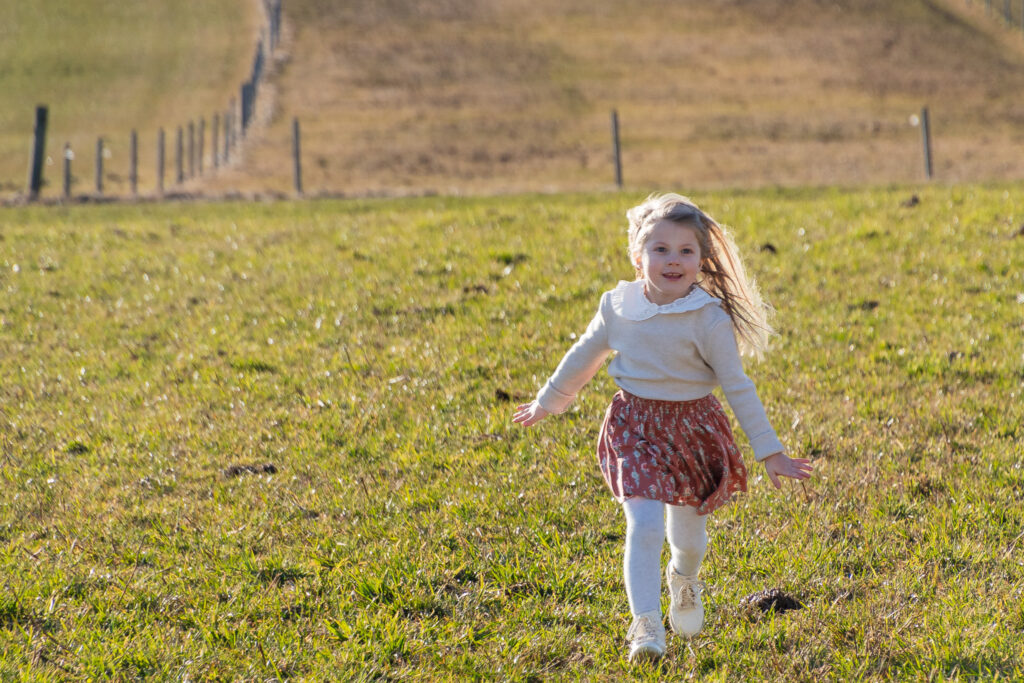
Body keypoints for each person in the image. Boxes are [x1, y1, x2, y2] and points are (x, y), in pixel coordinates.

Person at [512, 193, 813, 662]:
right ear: (639, 257)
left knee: (688, 541)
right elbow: (584, 355)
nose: (673, 260)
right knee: (644, 523)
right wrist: (549, 400)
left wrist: (769, 450)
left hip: (694, 430)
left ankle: (683, 578)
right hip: (635, 427)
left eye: (685, 251)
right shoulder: (619, 307)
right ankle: (646, 626)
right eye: (661, 250)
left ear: (701, 260)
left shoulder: (709, 319)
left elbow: (737, 385)